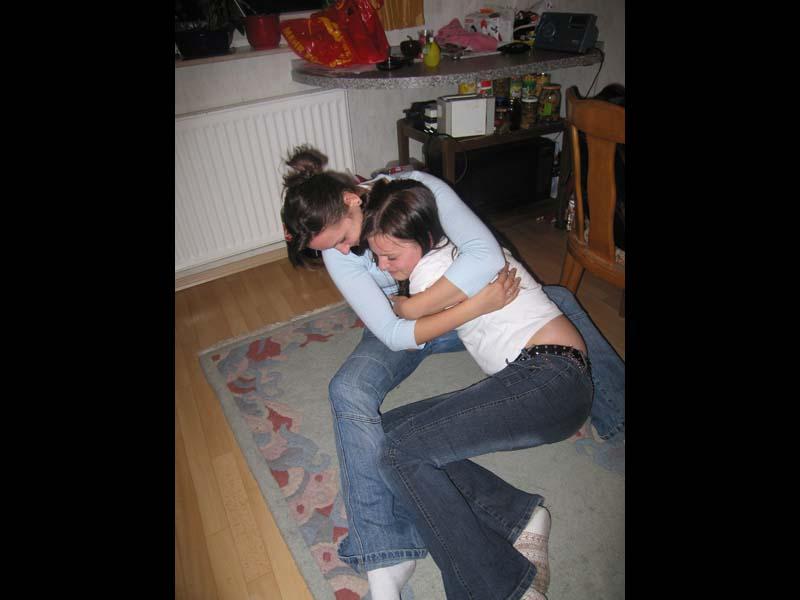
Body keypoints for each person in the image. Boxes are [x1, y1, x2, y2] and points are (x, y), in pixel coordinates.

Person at [280, 145, 624, 600]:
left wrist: (424, 304)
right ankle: (390, 553)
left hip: (506, 344)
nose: (347, 253)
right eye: (333, 250)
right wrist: (448, 307)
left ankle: (616, 414)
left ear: (352, 199)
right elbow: (394, 332)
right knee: (352, 395)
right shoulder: (343, 250)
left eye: (344, 238)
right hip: (413, 327)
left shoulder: (417, 193)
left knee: (554, 297)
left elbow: (487, 257)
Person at [362, 177, 592, 599]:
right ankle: (517, 517)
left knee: (399, 452)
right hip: (552, 380)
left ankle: (498, 590)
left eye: (390, 255)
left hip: (548, 377)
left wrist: (400, 304)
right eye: (377, 256)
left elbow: (403, 327)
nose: (383, 265)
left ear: (425, 238)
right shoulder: (466, 251)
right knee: (388, 432)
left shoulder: (432, 271)